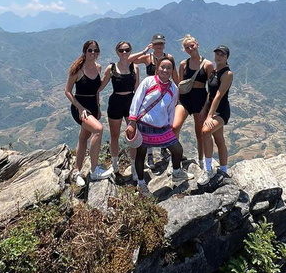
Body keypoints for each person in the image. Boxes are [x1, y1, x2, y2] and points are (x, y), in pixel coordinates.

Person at [126, 58, 193, 196]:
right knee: (141, 154)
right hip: (144, 124)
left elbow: (171, 109)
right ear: (157, 68)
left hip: (162, 127)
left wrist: (168, 125)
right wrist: (132, 121)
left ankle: (176, 172)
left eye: (168, 68)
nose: (165, 70)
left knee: (177, 149)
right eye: (162, 67)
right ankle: (141, 183)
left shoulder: (173, 89)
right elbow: (137, 100)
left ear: (171, 71)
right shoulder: (148, 82)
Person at [64, 40, 114, 186]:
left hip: (92, 106)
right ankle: (94, 169)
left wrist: (98, 108)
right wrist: (80, 108)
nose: (93, 53)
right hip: (80, 107)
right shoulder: (77, 70)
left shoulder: (98, 67)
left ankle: (76, 172)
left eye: (95, 50)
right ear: (84, 52)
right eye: (90, 50)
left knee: (83, 138)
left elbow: (96, 91)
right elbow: (67, 91)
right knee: (98, 129)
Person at [129, 33, 179, 168]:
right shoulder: (147, 58)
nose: (159, 46)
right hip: (150, 94)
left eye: (161, 43)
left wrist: (177, 93)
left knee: (164, 122)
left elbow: (175, 76)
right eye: (156, 43)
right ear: (152, 44)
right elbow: (128, 60)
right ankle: (150, 156)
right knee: (148, 127)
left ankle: (164, 150)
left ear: (164, 44)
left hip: (165, 93)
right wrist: (145, 50)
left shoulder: (169, 58)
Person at [100, 41, 140, 180]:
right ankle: (115, 165)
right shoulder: (111, 69)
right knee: (114, 135)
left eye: (127, 50)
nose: (124, 53)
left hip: (131, 103)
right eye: (121, 50)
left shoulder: (135, 68)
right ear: (117, 52)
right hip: (116, 102)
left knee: (132, 136)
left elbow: (137, 90)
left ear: (130, 51)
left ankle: (134, 168)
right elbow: (100, 86)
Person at [175, 34, 214, 169]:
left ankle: (201, 161)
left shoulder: (208, 64)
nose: (190, 49)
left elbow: (211, 88)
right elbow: (180, 84)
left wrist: (205, 107)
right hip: (185, 100)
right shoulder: (183, 64)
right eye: (187, 47)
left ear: (197, 44)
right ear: (184, 50)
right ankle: (175, 160)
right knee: (174, 127)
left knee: (199, 133)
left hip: (200, 100)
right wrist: (175, 102)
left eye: (192, 46)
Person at [198, 45, 233, 186]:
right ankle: (224, 169)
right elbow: (210, 93)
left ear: (226, 57)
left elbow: (218, 96)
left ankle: (208, 170)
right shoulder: (214, 71)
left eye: (222, 55)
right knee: (219, 139)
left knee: (205, 131)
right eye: (217, 54)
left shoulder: (227, 74)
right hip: (211, 109)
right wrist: (204, 109)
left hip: (221, 110)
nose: (218, 57)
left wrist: (209, 116)